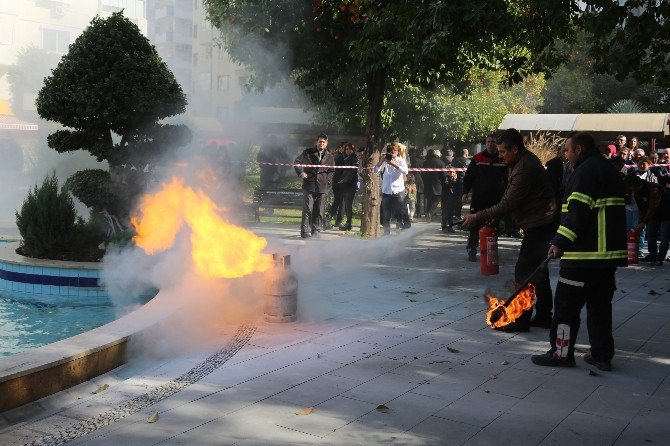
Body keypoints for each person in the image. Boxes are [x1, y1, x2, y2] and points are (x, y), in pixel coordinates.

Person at [532, 132, 627, 371]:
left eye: (568, 150)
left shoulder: (585, 173)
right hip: (607, 259)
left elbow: (578, 212)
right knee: (600, 308)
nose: (566, 155)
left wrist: (559, 242)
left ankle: (561, 354)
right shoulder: (607, 169)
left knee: (565, 308)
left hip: (583, 257)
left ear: (580, 150)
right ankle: (602, 356)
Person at [463, 129, 556, 331]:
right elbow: (509, 201)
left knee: (524, 272)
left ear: (515, 149)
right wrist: (492, 217)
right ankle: (543, 316)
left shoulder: (524, 168)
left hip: (539, 225)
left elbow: (507, 203)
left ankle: (520, 320)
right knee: (539, 271)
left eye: (503, 152)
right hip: (540, 223)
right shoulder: (519, 162)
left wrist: (476, 217)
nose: (500, 156)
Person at [462, 134, 507, 262]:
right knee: (474, 224)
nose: (490, 144)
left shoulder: (502, 158)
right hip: (479, 198)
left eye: (493, 142)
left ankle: (490, 251)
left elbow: (508, 179)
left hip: (496, 199)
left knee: (493, 225)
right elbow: (468, 177)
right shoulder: (477, 158)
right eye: (488, 142)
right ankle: (472, 249)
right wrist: (465, 192)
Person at [294, 133, 335, 238]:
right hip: (309, 185)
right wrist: (301, 173)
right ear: (316, 142)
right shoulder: (307, 153)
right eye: (320, 141)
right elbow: (297, 162)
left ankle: (316, 231)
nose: (321, 143)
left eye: (323, 142)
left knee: (319, 210)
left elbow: (332, 170)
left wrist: (329, 180)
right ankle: (304, 232)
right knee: (307, 209)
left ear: (326, 144)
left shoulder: (330, 156)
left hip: (322, 187)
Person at [627, 175, 670, 265]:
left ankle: (660, 258)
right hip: (654, 214)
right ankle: (652, 255)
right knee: (650, 234)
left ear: (640, 185)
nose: (633, 192)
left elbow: (652, 207)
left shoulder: (654, 189)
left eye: (634, 189)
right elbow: (640, 209)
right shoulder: (636, 191)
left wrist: (643, 222)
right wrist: (640, 222)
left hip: (667, 212)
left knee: (664, 237)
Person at [374, 142, 411, 235]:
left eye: (394, 150)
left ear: (398, 152)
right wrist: (382, 161)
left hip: (398, 191)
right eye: (390, 150)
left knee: (403, 212)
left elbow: (405, 171)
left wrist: (393, 164)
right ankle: (386, 235)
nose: (392, 152)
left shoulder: (401, 160)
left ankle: (408, 232)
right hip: (387, 191)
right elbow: (375, 170)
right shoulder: (385, 161)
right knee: (386, 215)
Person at [336, 143, 358, 230]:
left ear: (353, 150)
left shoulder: (354, 158)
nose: (348, 150)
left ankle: (349, 224)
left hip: (351, 184)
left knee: (348, 204)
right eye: (347, 149)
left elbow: (353, 172)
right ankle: (343, 222)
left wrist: (344, 180)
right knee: (344, 204)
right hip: (343, 184)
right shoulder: (344, 158)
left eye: (350, 149)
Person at [421, 149, 446, 224]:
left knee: (429, 200)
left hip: (427, 184)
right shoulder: (440, 162)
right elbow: (443, 174)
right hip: (437, 184)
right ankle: (430, 213)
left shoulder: (425, 162)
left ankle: (429, 213)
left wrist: (425, 181)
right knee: (437, 199)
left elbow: (422, 173)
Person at [325, 143, 346, 229]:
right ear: (340, 148)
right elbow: (336, 170)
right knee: (339, 202)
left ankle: (332, 220)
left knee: (339, 202)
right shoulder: (339, 156)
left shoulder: (343, 156)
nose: (346, 150)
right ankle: (333, 220)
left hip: (341, 182)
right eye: (345, 148)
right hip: (338, 183)